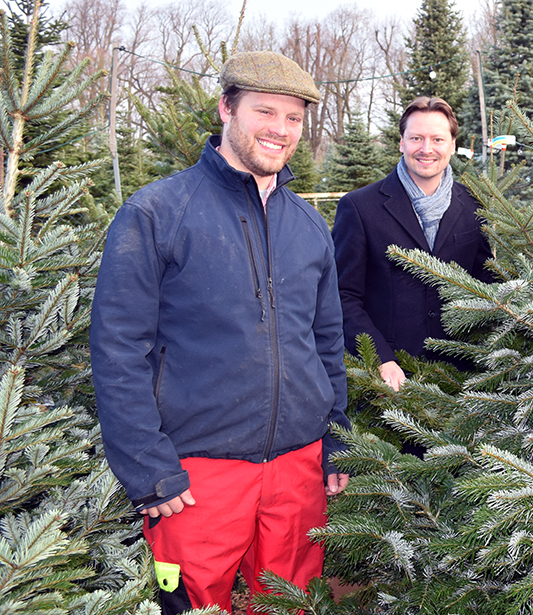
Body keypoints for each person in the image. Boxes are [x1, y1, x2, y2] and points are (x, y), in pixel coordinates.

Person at [90, 51, 351, 614]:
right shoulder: (157, 212)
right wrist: (148, 467)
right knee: (196, 605)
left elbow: (326, 341)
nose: (280, 130)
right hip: (196, 476)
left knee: (288, 602)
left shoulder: (308, 224)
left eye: (294, 118)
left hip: (298, 470)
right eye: (265, 111)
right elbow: (117, 349)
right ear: (226, 109)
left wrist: (336, 438)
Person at [332, 96, 493, 392]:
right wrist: (380, 358)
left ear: (452, 144)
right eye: (416, 138)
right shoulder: (359, 207)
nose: (426, 149)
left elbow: (488, 281)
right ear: (401, 143)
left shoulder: (473, 204)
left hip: (463, 379)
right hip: (391, 382)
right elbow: (342, 295)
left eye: (437, 139)